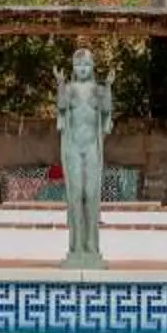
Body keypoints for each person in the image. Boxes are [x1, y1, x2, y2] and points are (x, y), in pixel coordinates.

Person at [54, 47, 113, 269]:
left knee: (91, 194)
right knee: (76, 195)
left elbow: (106, 110)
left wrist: (108, 87)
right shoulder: (68, 89)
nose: (82, 69)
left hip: (91, 147)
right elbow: (61, 106)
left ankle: (91, 244)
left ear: (93, 67)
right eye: (78, 65)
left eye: (86, 65)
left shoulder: (98, 90)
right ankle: (76, 244)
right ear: (73, 68)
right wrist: (60, 84)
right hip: (73, 147)